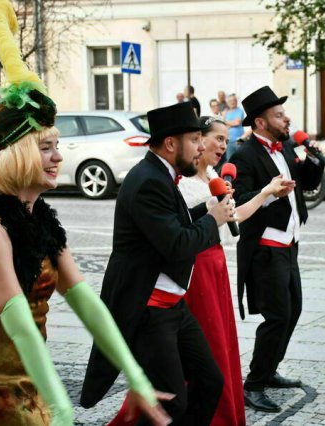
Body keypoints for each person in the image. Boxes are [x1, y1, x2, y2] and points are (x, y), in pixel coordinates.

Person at [0, 1, 170, 425]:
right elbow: (20, 329)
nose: (57, 156)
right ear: (14, 156)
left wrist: (136, 377)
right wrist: (61, 407)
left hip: (31, 378)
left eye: (57, 145)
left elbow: (89, 305)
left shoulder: (42, 221)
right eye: (45, 146)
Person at [81, 102, 237, 425]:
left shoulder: (163, 174)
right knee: (171, 402)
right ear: (170, 143)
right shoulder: (148, 180)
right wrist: (214, 220)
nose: (201, 148)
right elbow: (177, 244)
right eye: (195, 140)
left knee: (210, 382)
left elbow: (172, 226)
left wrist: (207, 208)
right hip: (148, 310)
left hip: (174, 307)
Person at [176, 115, 291, 426]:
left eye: (227, 140)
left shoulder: (213, 175)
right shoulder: (183, 182)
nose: (223, 146)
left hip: (216, 265)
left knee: (222, 342)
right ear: (198, 139)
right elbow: (184, 228)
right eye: (218, 139)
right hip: (196, 268)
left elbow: (234, 216)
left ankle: (224, 411)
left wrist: (266, 192)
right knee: (206, 342)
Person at [230, 86, 325, 413]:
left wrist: (313, 158)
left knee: (293, 310)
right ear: (260, 122)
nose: (286, 119)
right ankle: (254, 384)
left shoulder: (285, 145)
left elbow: (308, 183)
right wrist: (270, 192)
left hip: (289, 244)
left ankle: (269, 369)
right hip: (266, 250)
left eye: (285, 114)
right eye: (279, 115)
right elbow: (240, 202)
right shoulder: (243, 155)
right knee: (277, 316)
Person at [224, 94, 246, 160]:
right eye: (230, 100)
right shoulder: (227, 113)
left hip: (239, 139)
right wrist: (231, 123)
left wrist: (226, 122)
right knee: (230, 160)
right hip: (229, 141)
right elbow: (225, 126)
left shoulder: (240, 111)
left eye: (234, 100)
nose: (232, 102)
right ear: (227, 102)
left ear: (236, 101)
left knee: (241, 159)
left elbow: (237, 122)